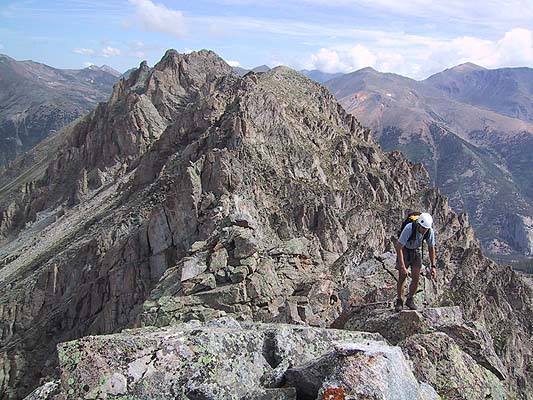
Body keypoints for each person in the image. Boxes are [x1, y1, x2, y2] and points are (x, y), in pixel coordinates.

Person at [394, 212, 436, 311]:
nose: (424, 231)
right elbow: (399, 247)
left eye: (426, 229)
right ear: (418, 225)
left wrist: (433, 266)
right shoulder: (409, 228)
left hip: (416, 250)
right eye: (423, 228)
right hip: (405, 250)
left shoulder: (430, 232)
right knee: (402, 276)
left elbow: (431, 248)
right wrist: (403, 267)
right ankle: (399, 300)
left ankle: (410, 299)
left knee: (416, 277)